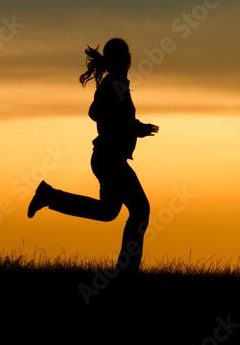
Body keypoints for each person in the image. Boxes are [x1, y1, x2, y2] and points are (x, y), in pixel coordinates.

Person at [27, 38, 159, 276]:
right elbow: (98, 113)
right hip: (110, 160)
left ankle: (50, 195)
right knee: (140, 210)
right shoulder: (114, 85)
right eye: (126, 55)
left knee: (109, 212)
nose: (129, 59)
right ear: (122, 60)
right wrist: (134, 128)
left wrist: (134, 127)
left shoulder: (117, 84)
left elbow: (110, 116)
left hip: (108, 159)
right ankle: (127, 272)